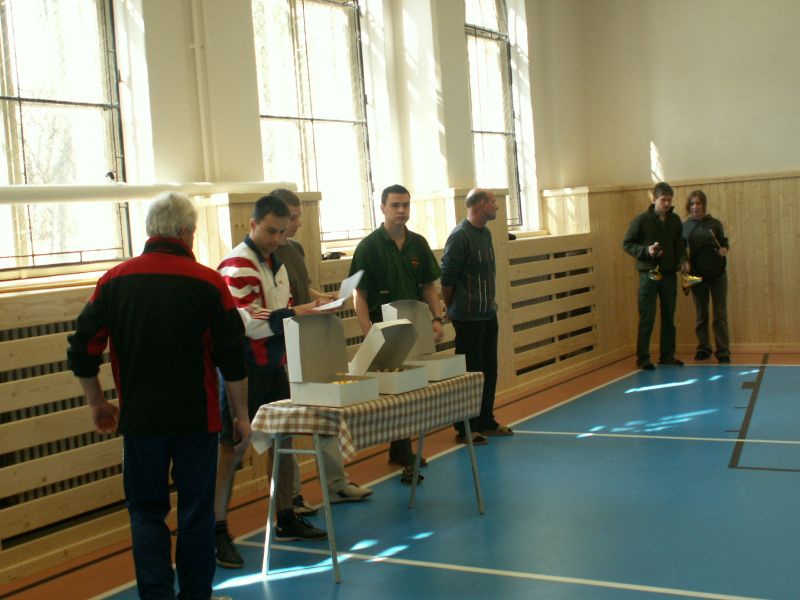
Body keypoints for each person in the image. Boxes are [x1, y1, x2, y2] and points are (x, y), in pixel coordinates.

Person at [67, 192, 249, 600]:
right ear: (184, 232)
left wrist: (96, 402)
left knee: (146, 512)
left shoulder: (113, 281)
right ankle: (196, 595)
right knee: (196, 512)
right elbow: (232, 357)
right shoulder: (209, 282)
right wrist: (241, 415)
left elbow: (82, 347)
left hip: (141, 420)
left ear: (151, 230)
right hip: (197, 419)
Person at [214, 195, 329, 570]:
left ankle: (286, 516)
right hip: (242, 372)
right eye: (270, 231)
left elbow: (281, 313)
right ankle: (216, 530)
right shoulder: (236, 265)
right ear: (252, 225)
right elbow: (250, 322)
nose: (278, 238)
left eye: (283, 231)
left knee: (283, 439)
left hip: (274, 366)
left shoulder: (276, 263)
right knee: (232, 449)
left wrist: (303, 310)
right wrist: (297, 312)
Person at [270, 188, 373, 512]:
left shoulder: (296, 249)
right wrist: (307, 306)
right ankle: (291, 496)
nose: (298, 223)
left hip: (311, 339)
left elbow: (303, 288)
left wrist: (321, 298)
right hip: (285, 347)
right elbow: (278, 306)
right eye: (293, 217)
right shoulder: (267, 255)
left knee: (326, 411)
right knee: (289, 425)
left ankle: (336, 483)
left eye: (299, 216)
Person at [349, 183, 444, 482]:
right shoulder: (368, 247)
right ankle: (404, 451)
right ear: (382, 208)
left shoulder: (418, 244)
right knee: (395, 388)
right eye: (395, 205)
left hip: (414, 325)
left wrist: (437, 318)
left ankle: (399, 448)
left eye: (405, 205)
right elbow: (359, 293)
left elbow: (429, 286)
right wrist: (367, 330)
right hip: (384, 328)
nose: (401, 211)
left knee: (413, 386)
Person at [440, 188, 513, 445]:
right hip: (468, 317)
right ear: (481, 204)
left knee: (489, 370)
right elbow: (447, 278)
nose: (497, 206)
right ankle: (465, 427)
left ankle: (485, 420)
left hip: (487, 313)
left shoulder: (486, 233)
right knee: (470, 374)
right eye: (493, 202)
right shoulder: (460, 236)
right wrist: (450, 307)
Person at [623, 181, 689, 370]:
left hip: (669, 274)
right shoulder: (642, 220)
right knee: (647, 317)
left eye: (669, 200)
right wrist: (646, 250)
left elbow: (679, 244)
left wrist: (683, 259)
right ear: (654, 199)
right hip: (649, 273)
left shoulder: (675, 220)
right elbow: (627, 243)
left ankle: (667, 356)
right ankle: (643, 358)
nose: (667, 203)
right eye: (663, 200)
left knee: (669, 317)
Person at [682, 190, 731, 364]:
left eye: (698, 203)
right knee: (701, 314)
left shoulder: (715, 224)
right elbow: (680, 250)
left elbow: (723, 242)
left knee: (720, 314)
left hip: (718, 274)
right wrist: (683, 263)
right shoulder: (684, 227)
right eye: (692, 204)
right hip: (695, 275)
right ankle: (703, 348)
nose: (695, 207)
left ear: (704, 205)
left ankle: (723, 351)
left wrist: (724, 249)